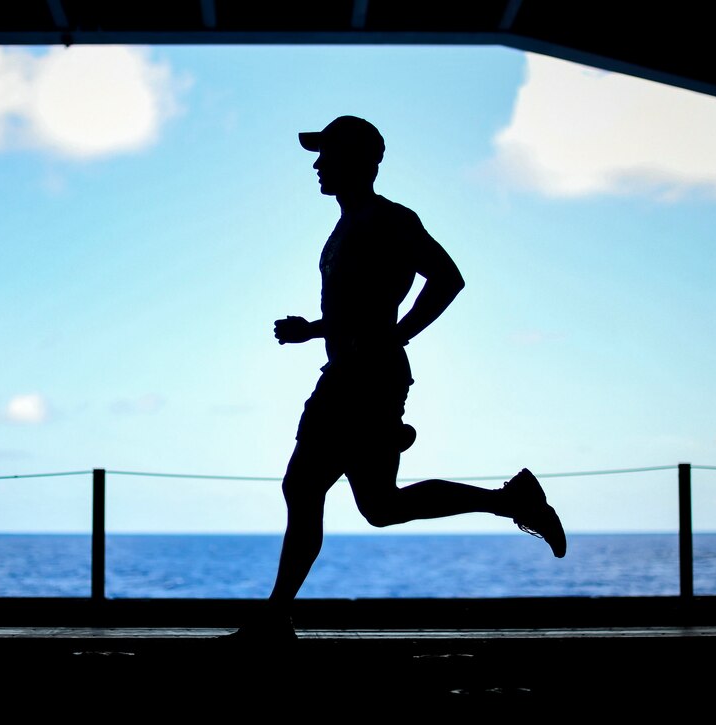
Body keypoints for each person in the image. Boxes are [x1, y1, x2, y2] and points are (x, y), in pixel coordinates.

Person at [225, 116, 565, 642]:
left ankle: (275, 618)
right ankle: (512, 500)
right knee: (379, 506)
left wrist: (397, 336)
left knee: (305, 485)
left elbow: (448, 278)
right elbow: (362, 312)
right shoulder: (344, 228)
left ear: (359, 161)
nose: (317, 165)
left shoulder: (390, 221)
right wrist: (313, 330)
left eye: (327, 154)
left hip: (367, 381)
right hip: (350, 374)